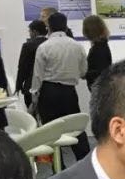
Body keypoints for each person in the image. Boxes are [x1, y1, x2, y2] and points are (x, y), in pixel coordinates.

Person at [33, 11, 90, 160]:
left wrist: (34, 96)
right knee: (76, 129)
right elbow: (83, 71)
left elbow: (38, 75)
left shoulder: (44, 47)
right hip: (69, 92)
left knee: (49, 132)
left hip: (48, 92)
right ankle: (85, 161)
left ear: (49, 27)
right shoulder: (77, 46)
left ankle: (57, 166)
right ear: (65, 27)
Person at [16, 19, 48, 108]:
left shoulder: (27, 45)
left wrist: (18, 85)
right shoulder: (50, 44)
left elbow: (22, 67)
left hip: (30, 85)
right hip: (48, 87)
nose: (29, 34)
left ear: (35, 32)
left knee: (31, 113)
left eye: (30, 31)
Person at [82, 14, 113, 90]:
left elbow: (101, 71)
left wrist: (84, 74)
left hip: (100, 89)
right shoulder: (100, 45)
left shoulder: (99, 49)